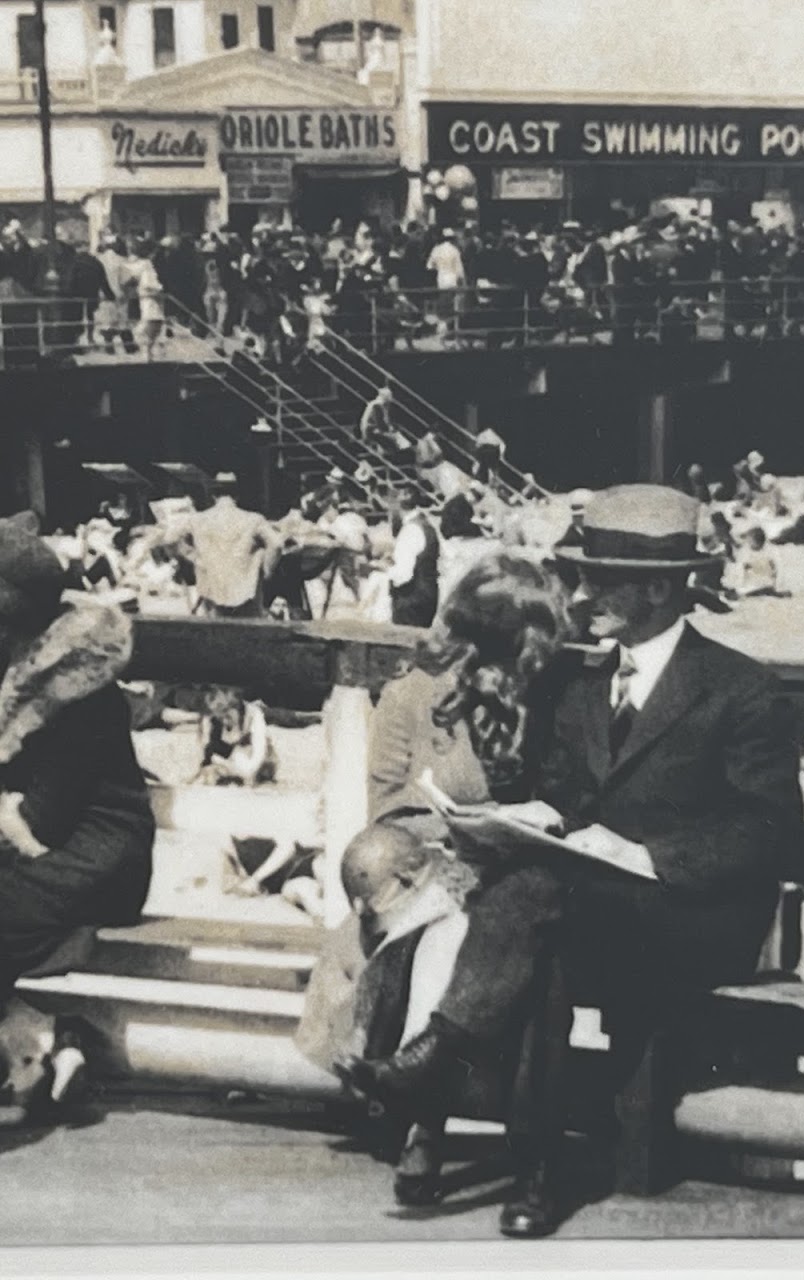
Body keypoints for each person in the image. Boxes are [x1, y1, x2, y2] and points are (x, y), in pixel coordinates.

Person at [342, 485, 804, 1236]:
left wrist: (643, 853)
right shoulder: (578, 684)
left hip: (691, 914)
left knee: (538, 904)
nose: (582, 596)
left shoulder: (742, 691)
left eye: (601, 580)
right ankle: (535, 1171)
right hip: (585, 906)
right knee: (545, 926)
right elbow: (557, 789)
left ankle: (446, 1061)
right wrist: (534, 815)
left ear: (657, 589)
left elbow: (767, 831)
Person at [302, 553, 571, 1202]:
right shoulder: (413, 692)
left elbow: (561, 791)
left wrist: (515, 823)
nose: (508, 660)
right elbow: (387, 807)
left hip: (512, 870)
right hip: (426, 861)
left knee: (462, 925)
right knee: (439, 922)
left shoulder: (539, 688)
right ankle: (426, 1119)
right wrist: (453, 833)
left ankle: (424, 1118)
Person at [0, 512, 155, 1109]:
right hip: (47, 862)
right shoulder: (15, 677)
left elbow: (39, 822)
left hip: (99, 859)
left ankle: (52, 1040)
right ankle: (55, 1039)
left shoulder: (74, 693)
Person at [186, 474, 281, 617]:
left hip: (211, 591)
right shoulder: (254, 520)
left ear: (213, 495)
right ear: (237, 496)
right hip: (245, 593)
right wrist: (267, 570)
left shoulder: (197, 520)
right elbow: (277, 544)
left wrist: (192, 556)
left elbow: (170, 538)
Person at [387, 495, 441, 629]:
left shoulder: (410, 530)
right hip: (427, 594)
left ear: (398, 506)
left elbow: (403, 575)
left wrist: (385, 571)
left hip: (411, 598)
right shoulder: (426, 525)